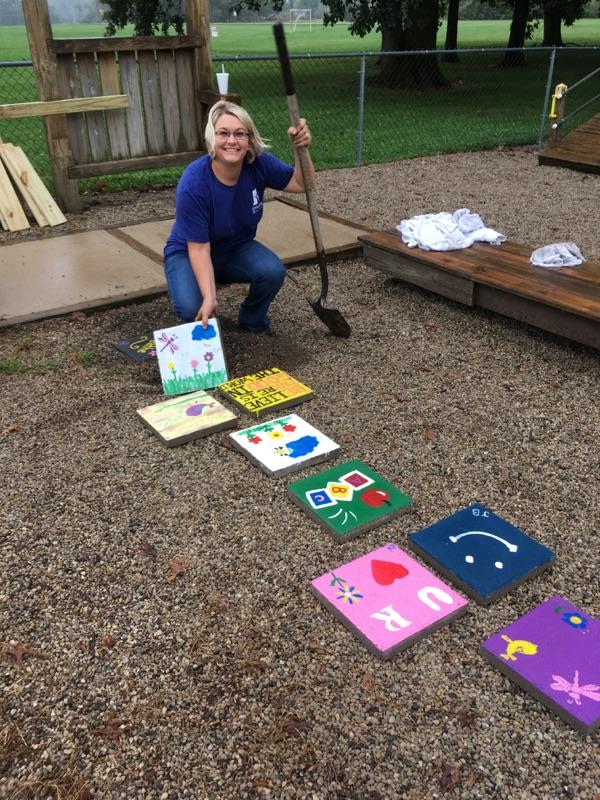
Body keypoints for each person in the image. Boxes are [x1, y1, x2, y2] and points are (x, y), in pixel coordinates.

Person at [163, 100, 314, 334]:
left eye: (239, 134)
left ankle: (252, 320)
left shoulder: (258, 164)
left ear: (249, 140)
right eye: (223, 133)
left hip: (234, 248)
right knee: (191, 307)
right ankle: (201, 295)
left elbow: (303, 183)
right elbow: (199, 249)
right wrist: (209, 296)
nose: (232, 141)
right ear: (212, 138)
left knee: (271, 272)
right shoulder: (193, 183)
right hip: (188, 252)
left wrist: (299, 149)